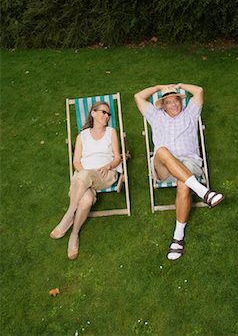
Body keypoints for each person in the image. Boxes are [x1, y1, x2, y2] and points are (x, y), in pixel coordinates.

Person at [134, 83, 224, 261]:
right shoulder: (155, 116)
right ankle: (203, 191)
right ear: (163, 105)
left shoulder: (191, 113)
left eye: (176, 100)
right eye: (169, 102)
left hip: (189, 162)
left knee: (183, 185)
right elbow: (138, 97)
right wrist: (159, 87)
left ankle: (178, 237)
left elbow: (199, 91)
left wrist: (181, 85)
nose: (174, 104)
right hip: (163, 166)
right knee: (162, 151)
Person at [50, 101, 121, 260]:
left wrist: (109, 166)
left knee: (83, 177)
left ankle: (68, 216)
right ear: (93, 113)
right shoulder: (82, 136)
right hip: (85, 176)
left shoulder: (111, 132)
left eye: (108, 114)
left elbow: (117, 158)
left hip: (104, 174)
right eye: (103, 112)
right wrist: (84, 176)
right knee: (87, 199)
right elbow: (76, 162)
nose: (106, 116)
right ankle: (74, 236)